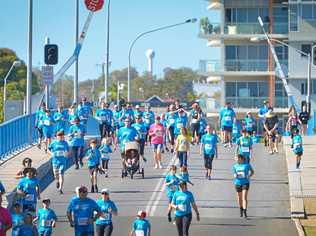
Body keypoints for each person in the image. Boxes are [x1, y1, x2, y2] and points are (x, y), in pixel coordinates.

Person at [233, 154, 254, 218]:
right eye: (235, 159)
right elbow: (234, 173)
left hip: (245, 183)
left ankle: (245, 211)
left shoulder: (247, 165)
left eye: (237, 159)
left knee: (244, 197)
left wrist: (249, 176)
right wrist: (235, 175)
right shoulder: (235, 166)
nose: (236, 160)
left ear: (241, 159)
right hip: (238, 183)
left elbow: (252, 172)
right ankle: (241, 208)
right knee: (239, 198)